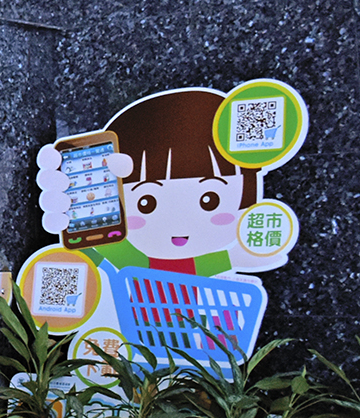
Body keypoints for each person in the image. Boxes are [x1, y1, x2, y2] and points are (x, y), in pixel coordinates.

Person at [37, 87, 293, 277]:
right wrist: (76, 224)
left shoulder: (143, 263)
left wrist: (234, 258)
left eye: (210, 200)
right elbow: (124, 261)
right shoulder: (131, 257)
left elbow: (175, 268)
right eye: (146, 202)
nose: (179, 223)